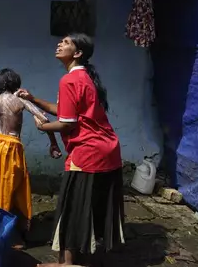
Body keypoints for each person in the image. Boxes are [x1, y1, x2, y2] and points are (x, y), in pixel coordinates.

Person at [17, 33, 125, 267]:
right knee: (86, 206)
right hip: (107, 149)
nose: (59, 44)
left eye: (66, 43)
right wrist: (33, 99)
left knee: (71, 207)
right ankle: (79, 255)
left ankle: (66, 263)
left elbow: (68, 123)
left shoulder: (68, 81)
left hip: (88, 153)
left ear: (78, 53)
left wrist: (43, 126)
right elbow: (64, 110)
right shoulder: (83, 77)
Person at [0, 68, 62, 235]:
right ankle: (13, 228)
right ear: (15, 84)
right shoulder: (21, 102)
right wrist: (53, 144)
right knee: (15, 186)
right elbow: (44, 119)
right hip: (12, 148)